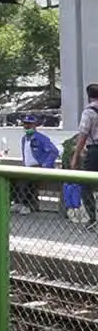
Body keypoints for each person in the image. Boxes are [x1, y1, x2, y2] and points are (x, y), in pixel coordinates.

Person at [12, 114, 58, 214]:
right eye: (25, 124)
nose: (27, 126)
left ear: (34, 125)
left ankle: (26, 205)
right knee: (13, 177)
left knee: (25, 180)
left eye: (29, 124)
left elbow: (54, 151)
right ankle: (18, 202)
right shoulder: (24, 139)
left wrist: (46, 165)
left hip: (39, 166)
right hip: (27, 167)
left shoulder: (41, 138)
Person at [71, 83, 98, 230]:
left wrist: (76, 156)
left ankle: (92, 218)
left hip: (95, 151)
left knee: (86, 184)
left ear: (89, 96)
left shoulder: (89, 112)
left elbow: (83, 135)